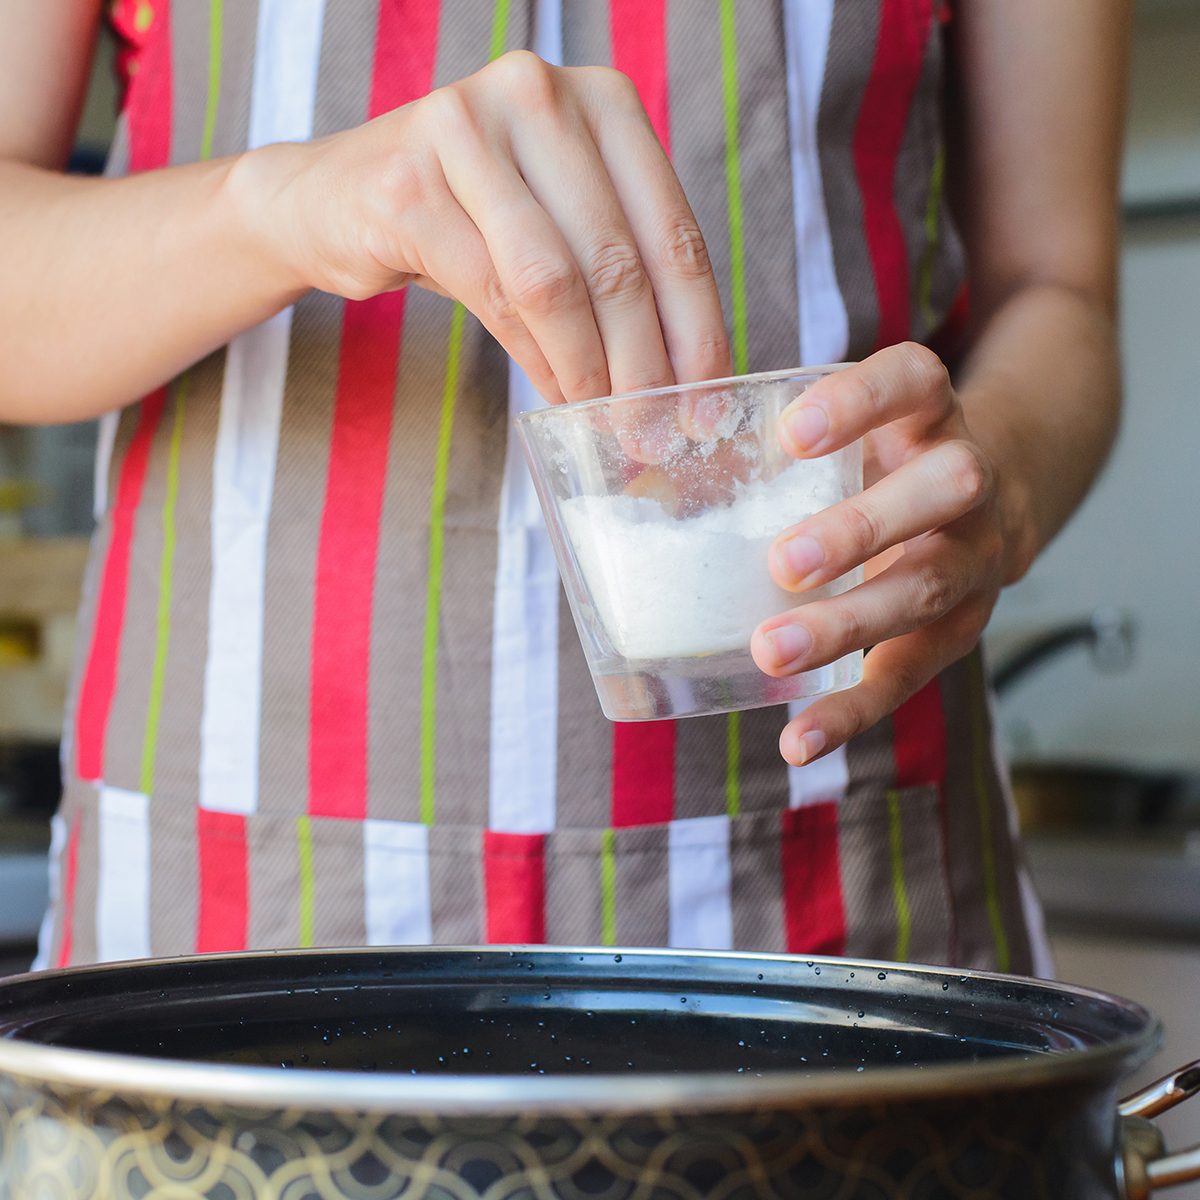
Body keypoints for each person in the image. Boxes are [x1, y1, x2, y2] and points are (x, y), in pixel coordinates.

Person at [3, 0, 1129, 975]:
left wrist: (999, 474)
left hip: (832, 887)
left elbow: (1058, 287)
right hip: (221, 901)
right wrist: (280, 206)